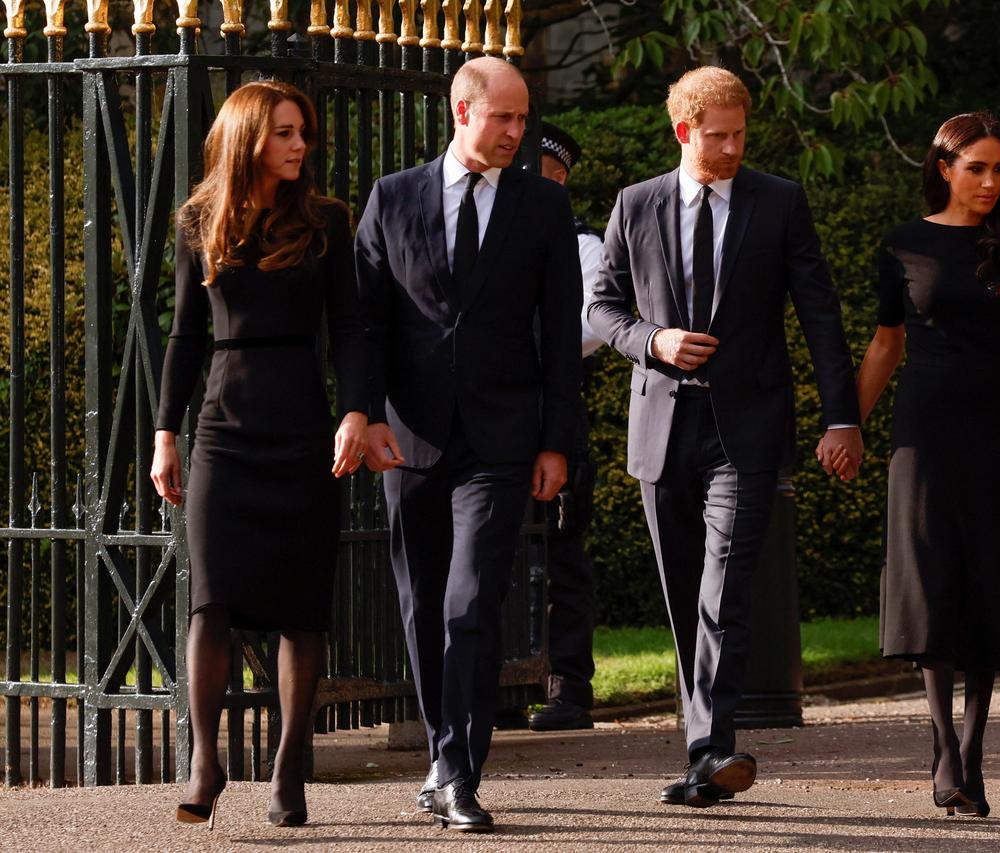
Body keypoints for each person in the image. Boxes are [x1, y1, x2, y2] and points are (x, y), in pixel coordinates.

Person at [588, 66, 862, 809]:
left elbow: (821, 312)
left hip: (746, 431)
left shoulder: (779, 202)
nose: (735, 147)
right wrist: (655, 339)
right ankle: (701, 759)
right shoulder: (635, 204)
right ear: (685, 132)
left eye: (742, 133)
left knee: (724, 589)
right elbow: (602, 309)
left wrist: (844, 416)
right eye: (720, 136)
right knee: (684, 597)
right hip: (662, 427)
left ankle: (711, 747)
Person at [355, 56, 581, 833]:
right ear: (462, 111)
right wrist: (361, 412)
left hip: (502, 437)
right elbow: (365, 322)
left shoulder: (543, 210)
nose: (519, 133)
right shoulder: (392, 197)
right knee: (421, 603)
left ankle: (457, 768)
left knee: (470, 599)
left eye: (525, 120)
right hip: (407, 435)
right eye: (504, 119)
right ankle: (445, 756)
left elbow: (558, 331)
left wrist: (558, 442)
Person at [854, 112, 1000, 818]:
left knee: (988, 587)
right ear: (944, 167)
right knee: (930, 585)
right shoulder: (902, 245)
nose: (990, 182)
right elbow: (885, 345)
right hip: (921, 437)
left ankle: (972, 754)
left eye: (999, 169)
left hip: (999, 436)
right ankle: (945, 751)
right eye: (976, 167)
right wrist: (845, 425)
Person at [150, 80, 368, 829]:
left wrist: (355, 412)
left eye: (302, 131)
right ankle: (204, 759)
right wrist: (164, 432)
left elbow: (352, 329)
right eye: (283, 132)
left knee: (302, 607)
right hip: (223, 429)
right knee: (210, 596)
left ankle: (286, 767)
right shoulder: (199, 220)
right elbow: (182, 336)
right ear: (248, 137)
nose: (299, 144)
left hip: (305, 427)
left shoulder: (328, 222)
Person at [527, 121, 605, 732]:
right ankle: (505, 680)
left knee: (562, 550)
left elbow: (591, 327)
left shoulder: (584, 246)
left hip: (555, 405)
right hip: (497, 405)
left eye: (554, 178)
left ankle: (569, 687)